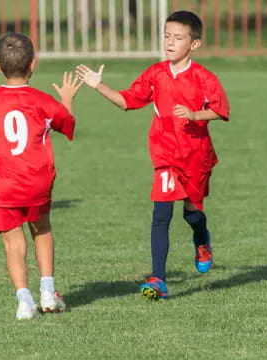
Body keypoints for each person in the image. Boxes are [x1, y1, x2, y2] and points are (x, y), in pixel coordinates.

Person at [76, 10, 230, 301]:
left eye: (178, 38)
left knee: (193, 213)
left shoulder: (203, 77)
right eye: (166, 36)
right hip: (165, 157)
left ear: (194, 44)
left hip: (196, 156)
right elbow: (127, 101)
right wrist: (99, 86)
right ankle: (158, 278)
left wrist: (196, 114)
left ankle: (202, 240)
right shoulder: (155, 74)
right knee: (161, 215)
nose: (170, 43)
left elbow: (221, 111)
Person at [0, 32, 83, 319]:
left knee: (13, 241)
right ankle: (48, 292)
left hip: (2, 185)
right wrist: (66, 100)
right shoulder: (42, 101)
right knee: (42, 228)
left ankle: (24, 301)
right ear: (33, 64)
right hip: (37, 181)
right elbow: (67, 124)